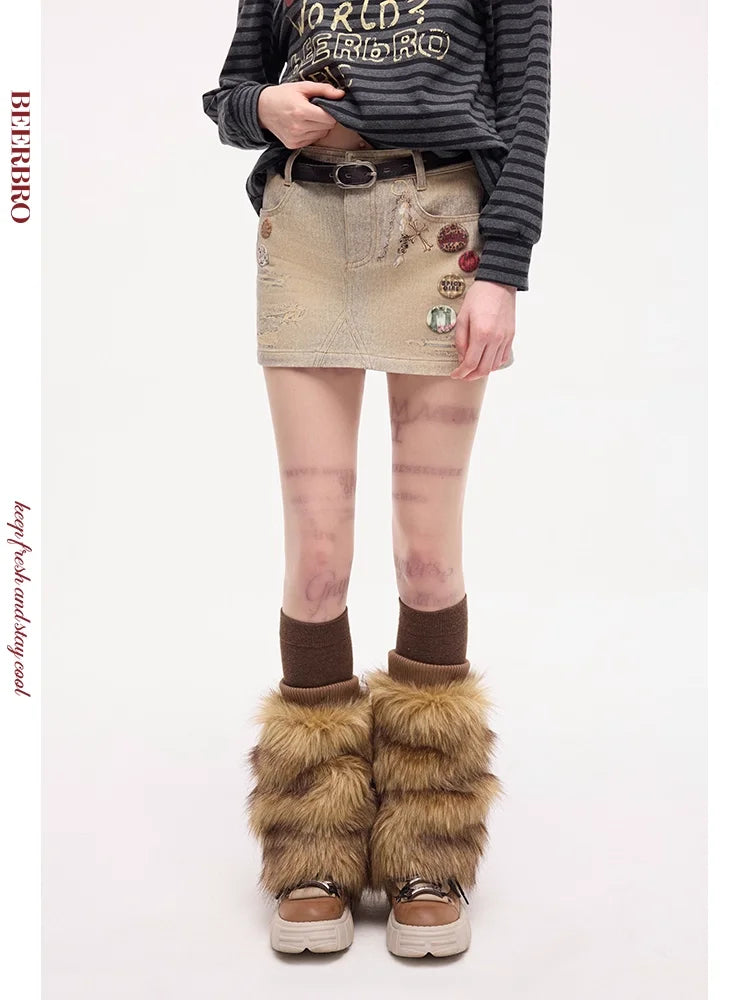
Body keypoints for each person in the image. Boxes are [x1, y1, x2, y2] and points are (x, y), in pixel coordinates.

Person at [202, 0, 551, 958]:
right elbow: (230, 94)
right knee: (316, 553)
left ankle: (428, 847)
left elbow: (526, 110)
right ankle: (312, 844)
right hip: (304, 233)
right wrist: (262, 109)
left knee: (428, 552)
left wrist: (503, 271)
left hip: (439, 231)